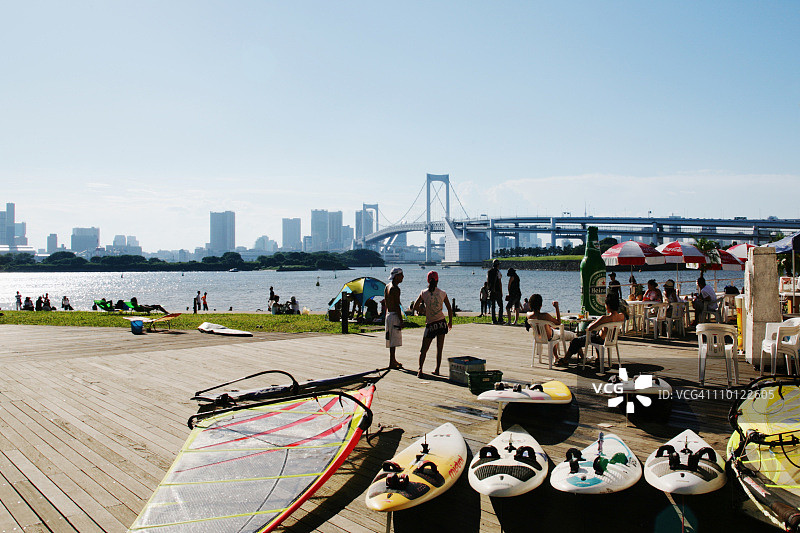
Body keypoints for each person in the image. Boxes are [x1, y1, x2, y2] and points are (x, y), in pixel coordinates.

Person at [561, 292, 626, 366]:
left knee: (575, 341)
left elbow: (589, 328)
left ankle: (565, 360)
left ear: (608, 305)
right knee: (594, 336)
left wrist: (592, 323)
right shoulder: (621, 316)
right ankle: (597, 359)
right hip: (611, 339)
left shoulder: (604, 318)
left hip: (600, 340)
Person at [414, 271, 453, 378]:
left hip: (431, 324)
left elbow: (415, 306)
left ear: (428, 280)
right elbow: (449, 308)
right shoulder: (442, 293)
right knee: (439, 349)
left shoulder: (423, 293)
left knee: (423, 349)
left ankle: (420, 369)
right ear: (437, 280)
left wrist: (423, 311)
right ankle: (437, 369)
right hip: (441, 323)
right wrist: (450, 321)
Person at [526, 294, 575, 360]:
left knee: (554, 333)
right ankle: (582, 357)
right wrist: (556, 307)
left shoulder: (528, 315)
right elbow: (558, 322)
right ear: (541, 305)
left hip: (538, 336)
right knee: (573, 336)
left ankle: (556, 357)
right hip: (549, 337)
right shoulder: (545, 316)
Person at [384, 267, 404, 370]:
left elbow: (386, 302)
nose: (403, 277)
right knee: (394, 339)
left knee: (391, 339)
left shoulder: (387, 286)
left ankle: (393, 359)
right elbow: (397, 305)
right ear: (396, 276)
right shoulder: (395, 289)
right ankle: (392, 361)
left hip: (388, 314)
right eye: (401, 275)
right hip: (394, 315)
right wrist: (401, 320)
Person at [487, 259, 504, 324]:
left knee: (493, 306)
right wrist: (501, 291)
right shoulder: (498, 272)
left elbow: (488, 281)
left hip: (491, 291)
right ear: (498, 265)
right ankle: (500, 319)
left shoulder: (489, 272)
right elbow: (499, 282)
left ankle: (494, 320)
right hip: (497, 290)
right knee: (500, 306)